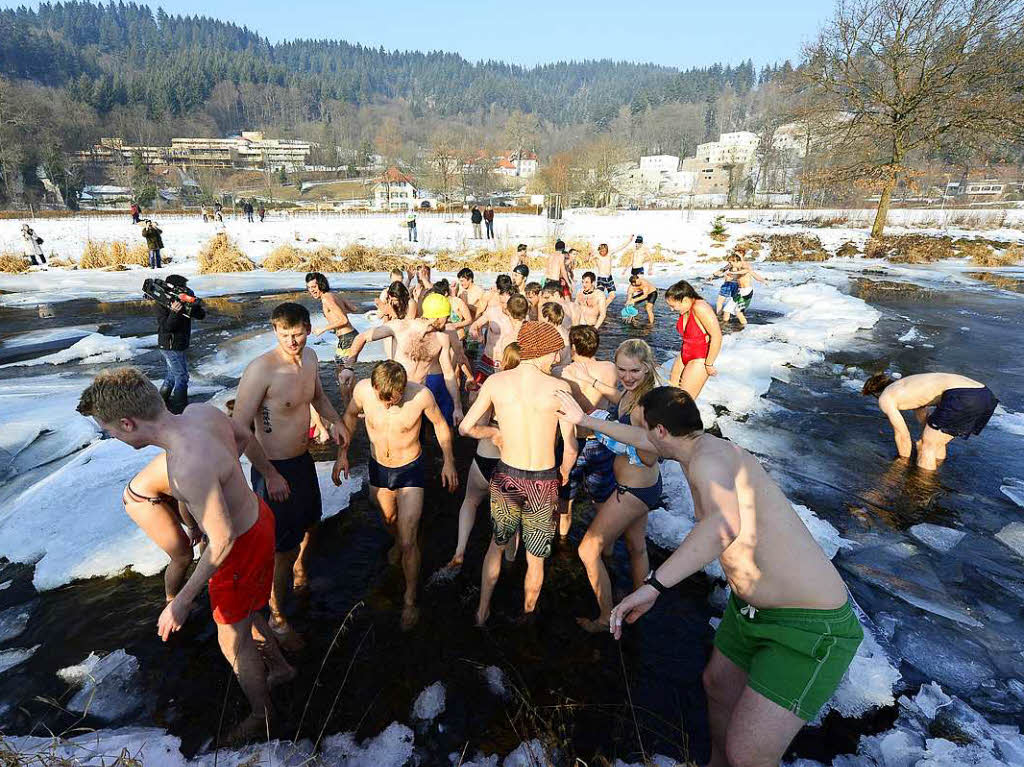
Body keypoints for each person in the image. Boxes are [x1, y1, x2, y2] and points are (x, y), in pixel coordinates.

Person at [555, 386, 863, 767]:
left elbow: (723, 524)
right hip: (749, 610)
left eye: (646, 428)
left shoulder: (710, 460)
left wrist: (653, 586)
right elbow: (637, 436)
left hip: (807, 625)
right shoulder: (693, 446)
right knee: (716, 686)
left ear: (662, 432)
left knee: (747, 755)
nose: (642, 435)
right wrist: (584, 420)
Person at [77, 368, 295, 741]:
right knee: (248, 611)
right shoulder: (200, 412)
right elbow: (243, 437)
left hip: (239, 544)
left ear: (128, 423)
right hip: (259, 516)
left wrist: (181, 601)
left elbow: (222, 540)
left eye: (109, 429)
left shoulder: (185, 464)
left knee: (232, 640)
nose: (111, 435)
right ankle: (281, 668)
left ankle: (263, 715)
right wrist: (266, 474)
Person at [233, 302, 349, 649]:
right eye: (284, 335)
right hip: (273, 470)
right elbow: (239, 429)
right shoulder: (261, 370)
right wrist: (268, 474)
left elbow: (318, 397)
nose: (292, 341)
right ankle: (278, 620)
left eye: (297, 333)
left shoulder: (310, 359)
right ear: (274, 332)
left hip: (302, 462)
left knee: (312, 522)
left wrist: (336, 420)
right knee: (279, 549)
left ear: (308, 329)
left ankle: (300, 571)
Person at [460, 321, 578, 626]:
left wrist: (493, 434)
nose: (557, 358)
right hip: (542, 478)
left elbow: (465, 427)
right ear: (543, 350)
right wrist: (564, 470)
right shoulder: (559, 388)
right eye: (555, 352)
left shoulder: (496, 382)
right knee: (536, 557)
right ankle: (527, 615)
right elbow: (571, 446)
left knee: (496, 545)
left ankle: (482, 611)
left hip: (507, 476)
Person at [335, 360, 458, 630]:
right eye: (384, 400)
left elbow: (439, 425)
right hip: (378, 467)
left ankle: (410, 599)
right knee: (389, 519)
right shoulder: (364, 391)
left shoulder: (420, 395)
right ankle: (402, 541)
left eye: (395, 399)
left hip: (411, 469)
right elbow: (350, 416)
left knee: (407, 541)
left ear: (403, 388)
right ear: (375, 386)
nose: (390, 405)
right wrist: (342, 455)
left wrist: (448, 461)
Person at [562, 339, 663, 631]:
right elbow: (620, 399)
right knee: (636, 547)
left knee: (587, 550)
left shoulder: (646, 406)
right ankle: (639, 603)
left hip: (632, 490)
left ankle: (606, 617)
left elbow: (648, 455)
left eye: (634, 371)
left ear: (647, 368)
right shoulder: (636, 393)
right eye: (621, 369)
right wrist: (592, 380)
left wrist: (614, 439)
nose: (627, 377)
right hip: (645, 489)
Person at [441, 343, 521, 575]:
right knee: (510, 519)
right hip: (511, 464)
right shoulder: (530, 393)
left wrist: (471, 395)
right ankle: (509, 560)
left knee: (470, 501)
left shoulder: (492, 386)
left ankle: (459, 550)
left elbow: (474, 424)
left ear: (504, 361)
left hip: (484, 459)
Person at [347, 292, 463, 428]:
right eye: (447, 317)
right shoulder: (401, 327)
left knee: (417, 437)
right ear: (438, 316)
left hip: (418, 394)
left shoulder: (441, 339)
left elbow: (449, 374)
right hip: (395, 391)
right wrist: (349, 366)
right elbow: (363, 337)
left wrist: (458, 406)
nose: (448, 320)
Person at [553, 325, 618, 538]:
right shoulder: (610, 368)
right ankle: (605, 546)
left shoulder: (562, 372)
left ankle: (561, 541)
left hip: (574, 441)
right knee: (602, 499)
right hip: (602, 441)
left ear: (572, 346)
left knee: (564, 501)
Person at [861, 372, 999, 471]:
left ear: (875, 392)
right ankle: (937, 469)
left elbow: (902, 435)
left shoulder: (886, 397)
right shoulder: (908, 386)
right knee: (934, 442)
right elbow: (927, 424)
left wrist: (902, 464)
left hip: (962, 395)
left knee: (926, 445)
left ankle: (922, 489)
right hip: (985, 395)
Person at [122, 452, 202, 601]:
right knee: (183, 556)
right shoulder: (195, 458)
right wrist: (193, 527)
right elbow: (184, 500)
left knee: (207, 532)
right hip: (141, 497)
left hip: (167, 488)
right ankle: (171, 600)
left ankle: (213, 578)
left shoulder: (210, 443)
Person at [306, 271, 361, 410]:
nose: (312, 291)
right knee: (344, 371)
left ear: (321, 284)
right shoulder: (334, 295)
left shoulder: (326, 298)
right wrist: (338, 309)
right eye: (309, 288)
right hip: (349, 336)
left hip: (347, 338)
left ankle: (349, 408)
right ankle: (357, 403)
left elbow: (343, 320)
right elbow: (354, 308)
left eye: (314, 287)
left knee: (342, 376)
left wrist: (323, 329)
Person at [156, 274, 206, 414]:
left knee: (172, 376)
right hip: (170, 346)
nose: (184, 289)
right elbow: (167, 327)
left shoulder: (184, 296)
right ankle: (180, 407)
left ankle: (160, 402)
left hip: (180, 344)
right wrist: (174, 312)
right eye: (182, 287)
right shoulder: (162, 302)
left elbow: (201, 315)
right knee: (182, 376)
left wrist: (193, 305)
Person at [666, 280, 721, 402]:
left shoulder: (700, 307)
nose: (671, 310)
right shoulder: (685, 309)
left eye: (673, 306)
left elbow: (717, 336)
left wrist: (709, 364)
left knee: (684, 403)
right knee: (671, 395)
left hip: (699, 358)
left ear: (685, 300)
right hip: (685, 353)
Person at [469, 293, 529, 386]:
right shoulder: (493, 312)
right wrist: (475, 332)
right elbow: (476, 324)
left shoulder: (524, 324)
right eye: (501, 302)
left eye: (506, 303)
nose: (504, 306)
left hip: (506, 367)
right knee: (474, 391)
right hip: (488, 359)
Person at [723, 257, 767, 327]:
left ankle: (745, 329)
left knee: (738, 312)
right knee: (726, 309)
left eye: (730, 262)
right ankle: (725, 327)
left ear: (736, 261)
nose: (729, 264)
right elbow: (732, 278)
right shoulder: (736, 270)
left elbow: (747, 271)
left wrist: (763, 281)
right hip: (739, 292)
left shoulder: (744, 266)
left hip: (747, 292)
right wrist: (727, 277)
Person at [595, 234, 634, 308]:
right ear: (599, 250)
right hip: (601, 278)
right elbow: (589, 258)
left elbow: (620, 247)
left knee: (612, 296)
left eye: (604, 251)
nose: (603, 252)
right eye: (601, 251)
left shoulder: (609, 254)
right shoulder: (597, 255)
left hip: (609, 278)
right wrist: (589, 258)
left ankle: (603, 308)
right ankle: (596, 309)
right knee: (599, 296)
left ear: (607, 250)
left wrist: (629, 241)